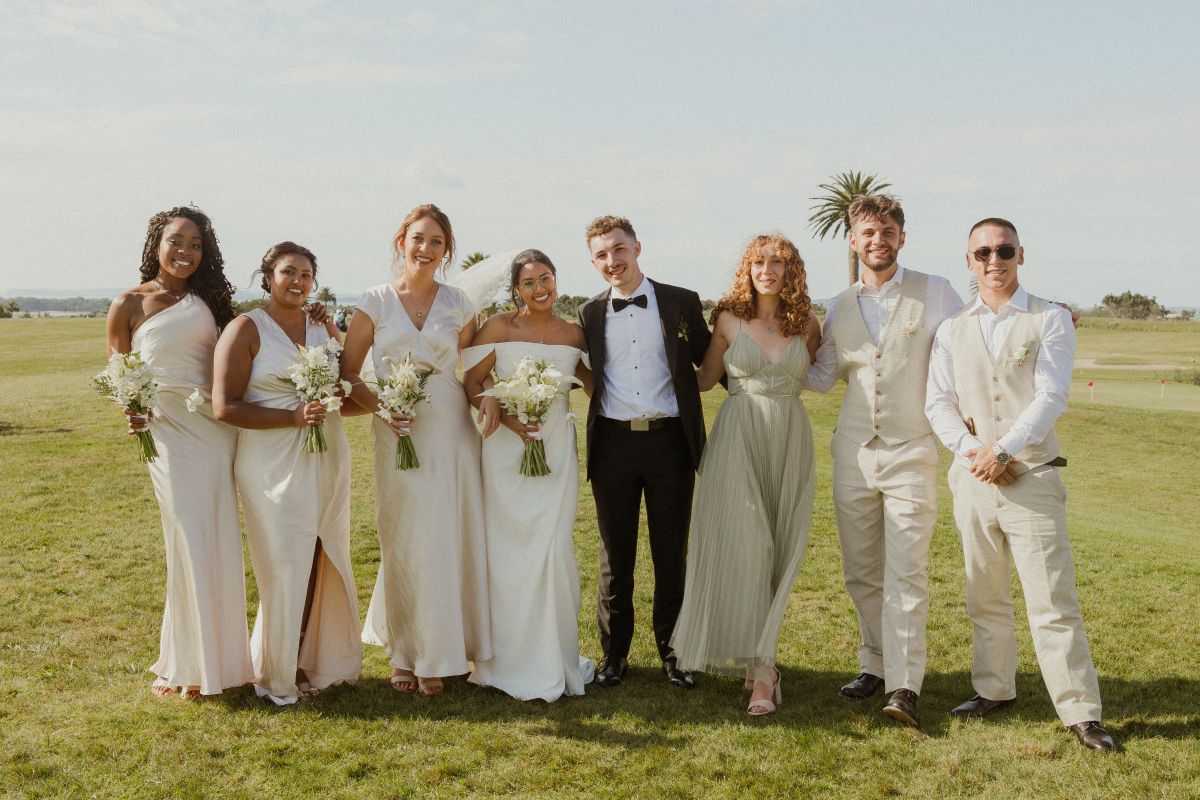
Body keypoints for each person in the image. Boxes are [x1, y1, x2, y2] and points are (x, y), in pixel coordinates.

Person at [925, 218, 1113, 752]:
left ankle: (1080, 711)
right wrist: (975, 454)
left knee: (1052, 599)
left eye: (1004, 250)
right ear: (969, 260)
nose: (994, 260)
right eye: (983, 252)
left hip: (1032, 477)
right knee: (983, 592)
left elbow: (1051, 395)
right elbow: (938, 402)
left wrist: (1003, 451)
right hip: (971, 479)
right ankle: (994, 689)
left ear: (1020, 254)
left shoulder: (1050, 318)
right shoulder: (951, 327)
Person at [807, 194, 964, 727]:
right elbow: (821, 377)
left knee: (907, 572)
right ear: (853, 240)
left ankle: (904, 685)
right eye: (868, 233)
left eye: (888, 231)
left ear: (902, 237)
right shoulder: (838, 305)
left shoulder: (936, 291)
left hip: (912, 450)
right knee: (861, 571)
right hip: (853, 453)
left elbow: (975, 339)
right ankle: (873, 664)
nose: (878, 240)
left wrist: (1044, 314)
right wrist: (773, 336)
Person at [341, 203, 491, 696]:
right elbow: (348, 374)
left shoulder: (460, 304)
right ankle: (406, 653)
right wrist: (383, 408)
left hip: (451, 431)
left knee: (447, 535)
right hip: (398, 431)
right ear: (401, 242)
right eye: (418, 239)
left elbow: (472, 373)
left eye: (437, 242)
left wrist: (495, 403)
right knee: (406, 537)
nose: (426, 249)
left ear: (447, 251)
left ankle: (443, 650)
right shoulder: (375, 302)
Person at [104, 206, 254, 699]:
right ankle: (188, 662)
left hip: (214, 431)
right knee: (186, 537)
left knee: (216, 536)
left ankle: (212, 662)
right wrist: (130, 409)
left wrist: (314, 315)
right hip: (166, 433)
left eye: (195, 245)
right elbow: (120, 372)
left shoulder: (210, 301)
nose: (185, 252)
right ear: (157, 244)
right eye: (176, 241)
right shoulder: (127, 303)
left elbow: (249, 343)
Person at [669, 235, 821, 715]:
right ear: (747, 269)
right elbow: (704, 379)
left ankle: (762, 665)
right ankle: (762, 674)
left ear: (791, 270)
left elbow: (827, 372)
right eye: (758, 262)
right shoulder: (728, 320)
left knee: (780, 551)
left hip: (789, 440)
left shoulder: (808, 323)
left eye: (777, 262)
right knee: (751, 547)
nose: (766, 270)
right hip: (738, 438)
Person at [212, 242, 364, 705]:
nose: (297, 281)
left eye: (305, 275)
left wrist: (333, 332)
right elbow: (225, 406)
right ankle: (277, 672)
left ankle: (306, 659)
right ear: (268, 277)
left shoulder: (321, 326)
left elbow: (349, 385)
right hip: (270, 461)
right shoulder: (245, 329)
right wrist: (293, 417)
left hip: (326, 453)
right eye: (288, 272)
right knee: (283, 561)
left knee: (320, 553)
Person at [577, 215, 711, 690]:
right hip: (612, 444)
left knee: (671, 554)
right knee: (615, 558)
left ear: (637, 247)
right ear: (593, 262)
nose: (612, 260)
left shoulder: (680, 302)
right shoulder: (588, 314)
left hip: (670, 442)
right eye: (601, 254)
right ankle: (614, 655)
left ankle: (675, 653)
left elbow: (713, 358)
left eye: (619, 249)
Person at [462, 250, 596, 702]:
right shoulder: (498, 327)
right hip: (506, 447)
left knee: (553, 546)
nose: (540, 289)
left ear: (556, 279)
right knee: (506, 550)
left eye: (546, 278)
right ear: (516, 290)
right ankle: (507, 659)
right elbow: (471, 382)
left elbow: (593, 383)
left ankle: (554, 657)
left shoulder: (574, 333)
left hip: (555, 446)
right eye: (529, 282)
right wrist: (502, 409)